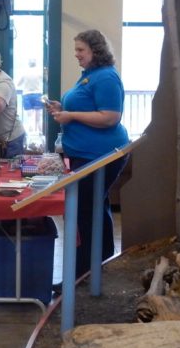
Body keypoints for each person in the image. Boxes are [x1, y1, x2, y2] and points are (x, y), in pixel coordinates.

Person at [47, 29, 130, 279]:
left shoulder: (105, 78)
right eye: (76, 50)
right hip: (87, 155)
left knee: (85, 213)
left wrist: (71, 116)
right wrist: (63, 108)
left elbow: (110, 117)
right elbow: (88, 107)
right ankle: (97, 267)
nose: (77, 55)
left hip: (99, 156)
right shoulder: (90, 76)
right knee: (94, 209)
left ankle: (83, 274)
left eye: (81, 50)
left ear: (96, 51)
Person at [16, 57, 44, 137]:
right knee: (38, 118)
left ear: (28, 64)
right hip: (38, 94)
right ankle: (40, 135)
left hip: (27, 95)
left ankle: (31, 137)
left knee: (30, 118)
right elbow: (45, 81)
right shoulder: (39, 72)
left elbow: (18, 84)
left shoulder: (24, 73)